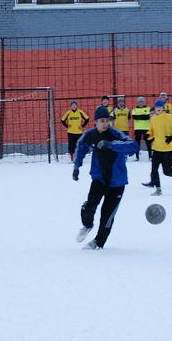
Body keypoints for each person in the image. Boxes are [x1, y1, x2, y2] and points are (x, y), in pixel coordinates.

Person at [72, 106, 138, 250]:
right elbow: (80, 146)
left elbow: (133, 146)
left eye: (106, 120)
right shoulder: (90, 135)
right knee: (90, 206)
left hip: (117, 183)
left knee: (107, 217)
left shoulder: (116, 135)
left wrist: (111, 145)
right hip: (99, 180)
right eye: (101, 121)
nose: (104, 124)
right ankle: (87, 225)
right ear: (95, 122)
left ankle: (98, 242)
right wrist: (76, 167)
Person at [131, 96, 151, 161]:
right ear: (137, 102)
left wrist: (139, 116)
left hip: (146, 128)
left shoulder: (148, 108)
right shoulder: (134, 109)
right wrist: (143, 116)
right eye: (139, 101)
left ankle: (150, 156)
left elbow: (148, 117)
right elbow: (135, 117)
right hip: (137, 129)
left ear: (144, 102)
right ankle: (137, 157)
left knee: (148, 143)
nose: (140, 103)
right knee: (137, 143)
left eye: (142, 101)